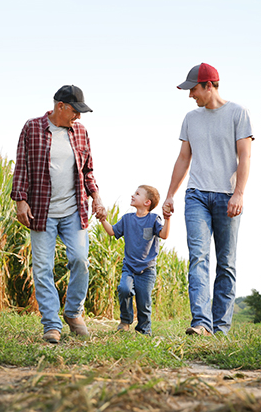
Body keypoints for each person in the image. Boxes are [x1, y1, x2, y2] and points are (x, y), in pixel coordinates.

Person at [11, 84, 107, 344]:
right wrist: (20, 200)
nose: (79, 117)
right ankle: (51, 324)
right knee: (43, 268)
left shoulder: (81, 132)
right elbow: (22, 166)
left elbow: (88, 171)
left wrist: (96, 197)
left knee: (80, 260)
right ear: (60, 106)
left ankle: (73, 313)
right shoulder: (32, 128)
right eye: (76, 111)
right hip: (42, 211)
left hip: (74, 210)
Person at [162, 63, 253, 336]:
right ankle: (201, 323)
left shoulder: (238, 114)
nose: (191, 95)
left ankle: (221, 328)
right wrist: (169, 195)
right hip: (196, 196)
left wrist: (239, 193)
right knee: (198, 258)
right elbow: (183, 159)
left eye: (194, 89)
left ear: (209, 86)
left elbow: (245, 157)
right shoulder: (191, 118)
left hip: (227, 197)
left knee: (226, 263)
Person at [100, 185, 170, 336]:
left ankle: (144, 329)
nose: (133, 195)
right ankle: (125, 321)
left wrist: (168, 218)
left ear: (147, 202)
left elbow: (164, 235)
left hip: (147, 270)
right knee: (124, 289)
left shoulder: (153, 219)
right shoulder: (127, 219)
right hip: (129, 267)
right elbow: (112, 231)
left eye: (137, 194)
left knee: (144, 302)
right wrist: (102, 220)